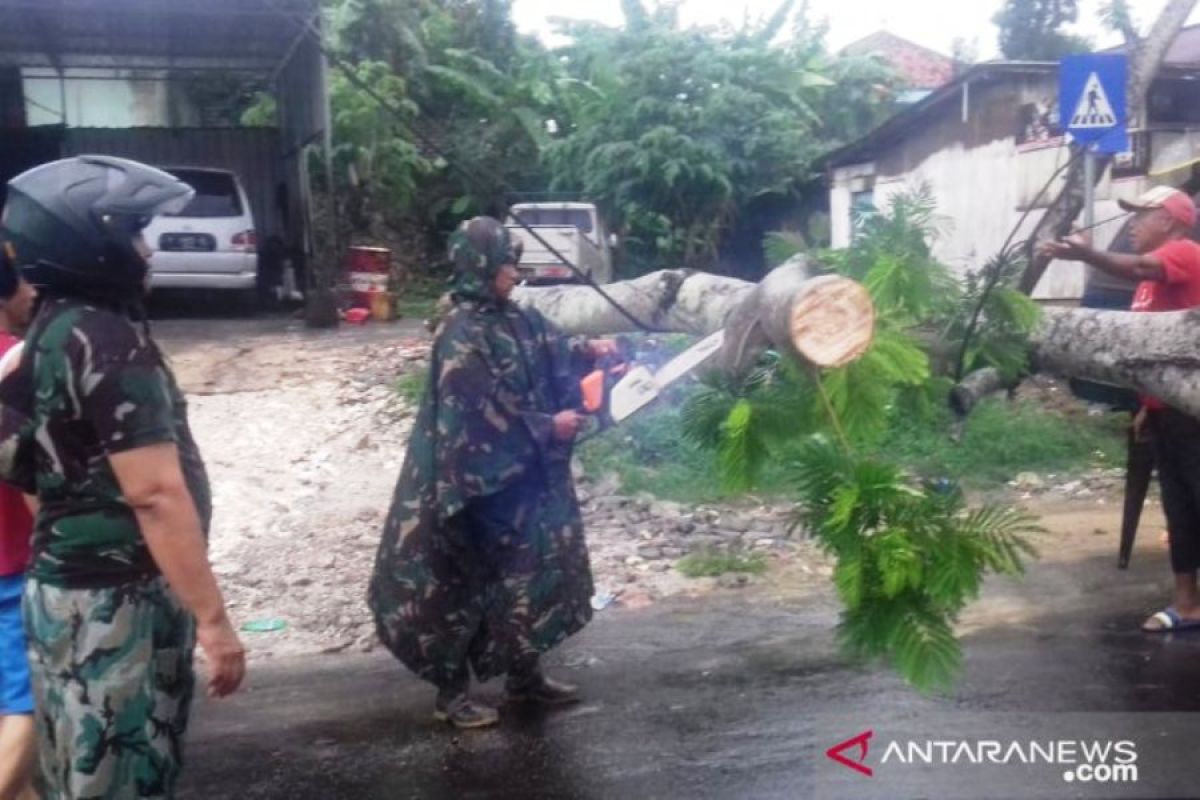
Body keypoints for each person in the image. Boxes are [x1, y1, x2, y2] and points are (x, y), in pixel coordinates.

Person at [0, 155, 246, 797]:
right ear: (94, 242)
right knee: (123, 775)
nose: (146, 249)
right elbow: (155, 493)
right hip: (118, 604)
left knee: (74, 773)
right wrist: (214, 621)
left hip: (60, 594)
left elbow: (18, 463)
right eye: (134, 233)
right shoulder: (107, 341)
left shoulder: (46, 334)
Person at [369, 216, 611, 729]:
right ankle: (451, 694)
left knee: (528, 576)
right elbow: (477, 417)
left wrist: (589, 349)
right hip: (472, 488)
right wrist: (550, 426)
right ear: (478, 265)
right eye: (505, 262)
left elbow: (548, 346)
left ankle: (526, 677)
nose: (513, 270)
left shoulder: (510, 317)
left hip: (517, 485)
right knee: (462, 584)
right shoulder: (460, 335)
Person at [1041, 185, 1200, 632]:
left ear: (1169, 220)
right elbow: (1146, 357)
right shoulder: (1149, 284)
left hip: (1194, 411)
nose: (1132, 223)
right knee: (1179, 508)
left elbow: (1140, 266)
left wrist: (1088, 257)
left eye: (1142, 215)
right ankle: (1187, 604)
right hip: (1168, 411)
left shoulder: (1184, 253)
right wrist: (1146, 405)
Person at [0, 247, 38, 800]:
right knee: (28, 710)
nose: (33, 292)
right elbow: (35, 486)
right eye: (26, 280)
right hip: (14, 574)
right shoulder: (18, 365)